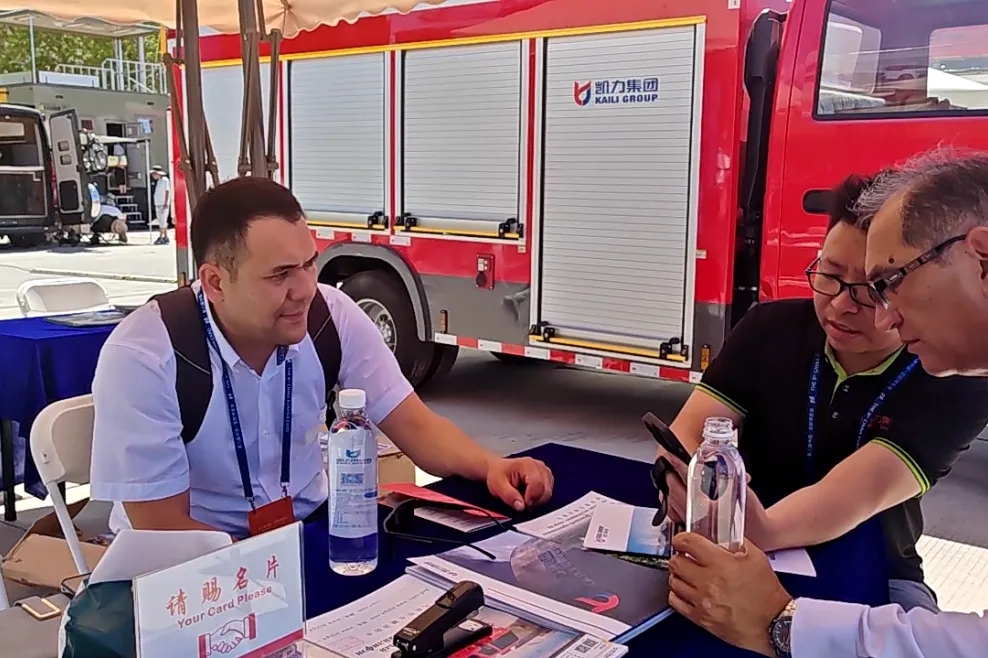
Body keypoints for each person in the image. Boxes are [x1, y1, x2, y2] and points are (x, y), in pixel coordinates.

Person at [89, 176, 554, 540]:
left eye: (310, 263)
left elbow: (414, 425)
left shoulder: (331, 315)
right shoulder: (146, 356)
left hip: (310, 533)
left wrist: (491, 466)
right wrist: (269, 568)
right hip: (196, 566)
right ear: (214, 282)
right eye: (280, 275)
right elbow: (161, 528)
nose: (305, 289)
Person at [665, 150, 988, 657]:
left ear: (982, 259)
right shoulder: (771, 326)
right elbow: (690, 436)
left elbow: (859, 493)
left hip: (869, 572)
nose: (866, 311)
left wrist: (779, 620)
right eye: (829, 276)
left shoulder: (953, 375)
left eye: (883, 287)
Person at [151, 165, 171, 245]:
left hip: (163, 203)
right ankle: (165, 236)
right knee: (162, 221)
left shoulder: (165, 180)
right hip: (158, 203)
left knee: (162, 221)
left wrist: (166, 202)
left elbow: (167, 191)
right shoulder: (159, 181)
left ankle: (161, 236)